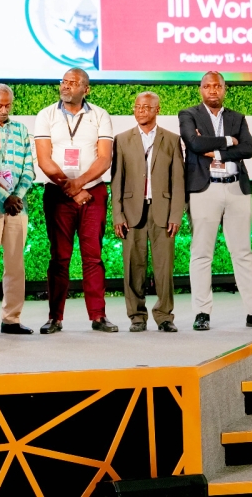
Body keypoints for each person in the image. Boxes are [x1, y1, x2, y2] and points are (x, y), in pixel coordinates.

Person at [179, 71, 252, 330]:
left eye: (218, 86)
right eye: (207, 86)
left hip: (236, 190)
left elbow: (247, 149)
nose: (213, 90)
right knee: (201, 254)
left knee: (243, 252)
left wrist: (217, 149)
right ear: (201, 89)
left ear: (225, 89)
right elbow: (194, 143)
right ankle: (202, 313)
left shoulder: (237, 117)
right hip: (205, 189)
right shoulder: (188, 115)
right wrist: (227, 141)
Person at [34, 68, 116, 334]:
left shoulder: (100, 115)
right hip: (58, 194)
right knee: (59, 258)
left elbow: (104, 158)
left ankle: (98, 316)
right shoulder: (45, 115)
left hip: (93, 193)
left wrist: (79, 185)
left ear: (86, 89)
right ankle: (55, 318)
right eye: (64, 82)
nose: (66, 86)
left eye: (73, 83)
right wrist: (70, 188)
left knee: (93, 257)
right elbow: (45, 160)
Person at [111, 92, 184, 333]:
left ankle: (164, 316)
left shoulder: (172, 139)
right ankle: (137, 316)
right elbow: (117, 180)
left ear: (157, 110)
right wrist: (117, 214)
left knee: (164, 268)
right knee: (133, 266)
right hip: (132, 212)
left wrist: (176, 215)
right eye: (137, 107)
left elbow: (178, 180)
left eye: (146, 107)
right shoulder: (121, 139)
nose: (141, 111)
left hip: (162, 211)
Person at [0, 84, 36, 334]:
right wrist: (4, 196)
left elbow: (29, 169)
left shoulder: (21, 130)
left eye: (7, 105)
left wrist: (16, 197)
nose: (3, 109)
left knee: (15, 266)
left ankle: (11, 319)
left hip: (16, 210)